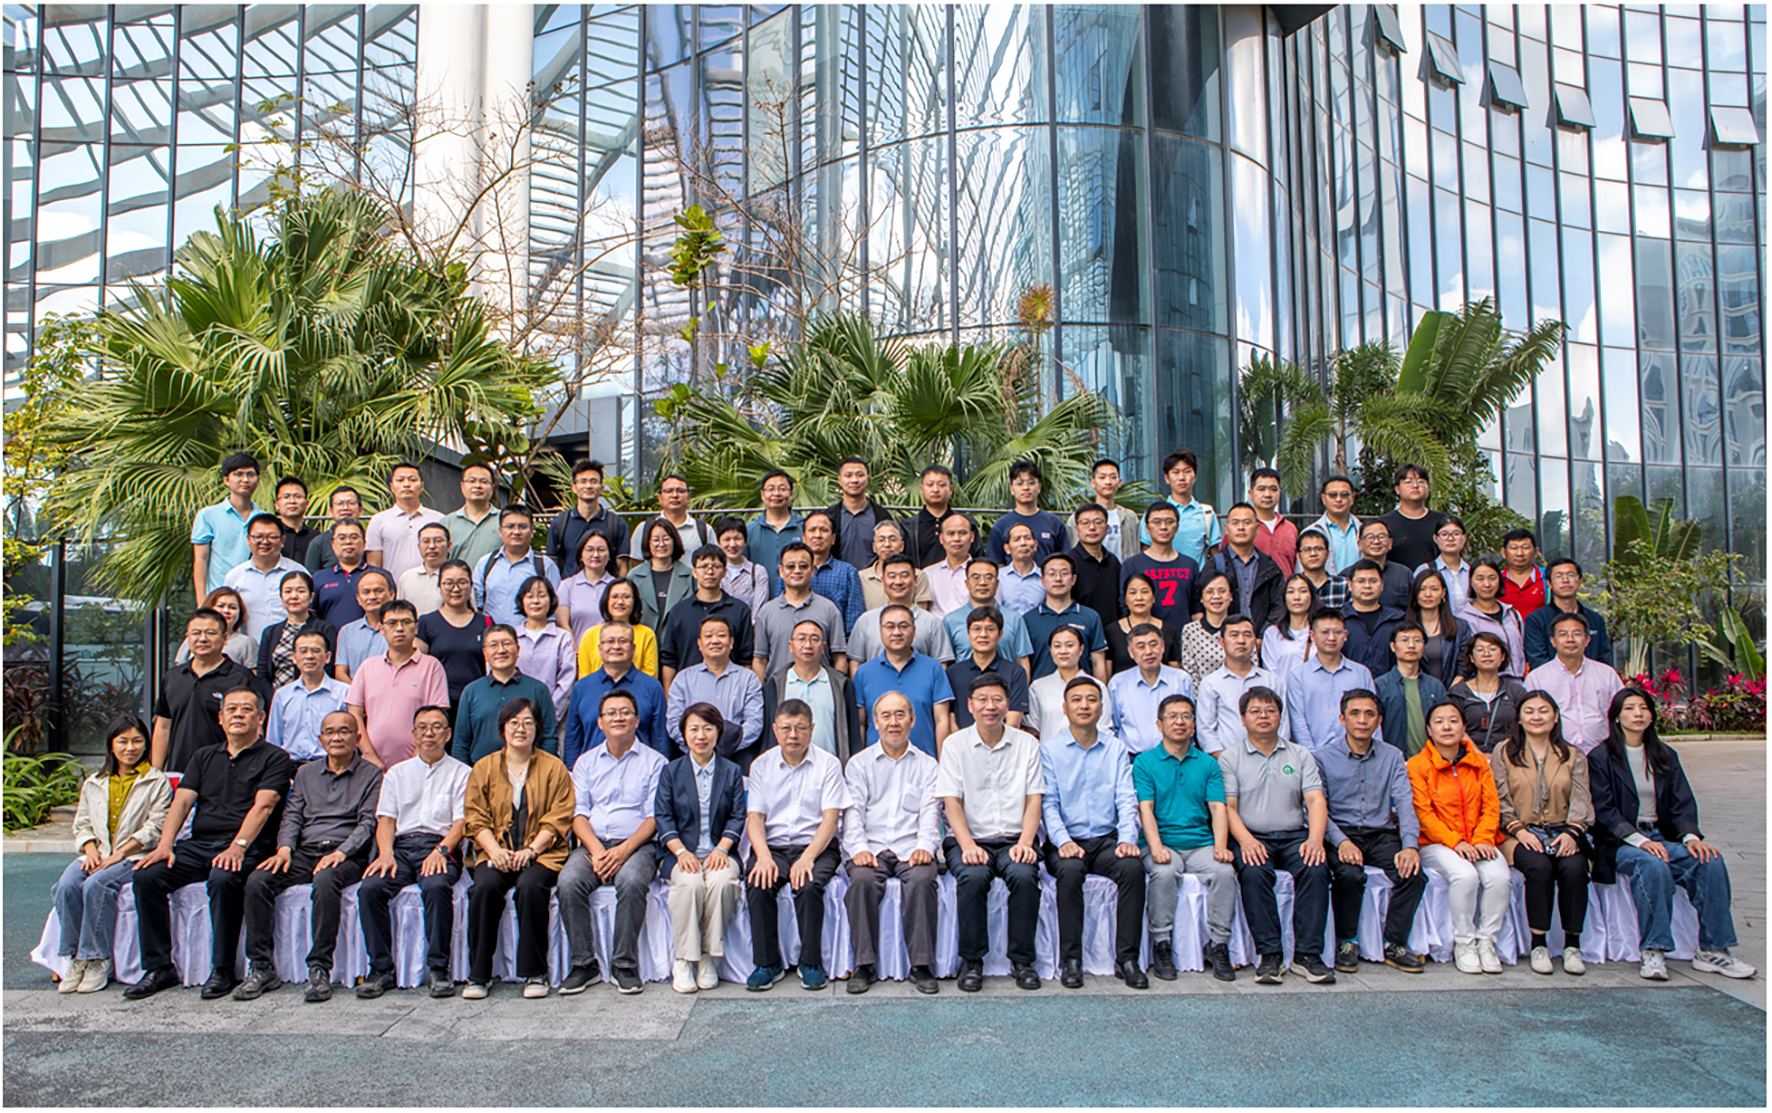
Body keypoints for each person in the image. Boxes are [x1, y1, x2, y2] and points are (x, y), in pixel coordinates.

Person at [125, 688, 296, 1000]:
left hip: (248, 846)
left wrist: (238, 846)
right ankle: (159, 967)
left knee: (224, 878)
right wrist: (165, 845)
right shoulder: (203, 756)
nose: (238, 714)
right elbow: (181, 802)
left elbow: (265, 806)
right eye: (231, 709)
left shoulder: (275, 757)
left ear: (260, 717)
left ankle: (223, 969)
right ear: (220, 718)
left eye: (247, 709)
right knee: (148, 877)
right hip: (200, 844)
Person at [1588, 688, 1755, 981]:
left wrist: (1691, 837)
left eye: (1644, 708)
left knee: (1710, 861)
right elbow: (1605, 811)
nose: (1638, 713)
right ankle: (1653, 949)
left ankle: (1713, 950)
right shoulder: (1601, 757)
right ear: (1616, 717)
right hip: (1620, 843)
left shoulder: (1665, 755)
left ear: (1652, 716)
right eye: (1630, 708)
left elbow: (1682, 803)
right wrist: (1641, 841)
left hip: (1663, 838)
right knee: (1652, 864)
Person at [234, 711, 382, 1002]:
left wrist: (342, 852)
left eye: (344, 731)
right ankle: (261, 968)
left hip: (347, 854)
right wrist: (285, 848)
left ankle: (319, 968)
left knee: (326, 880)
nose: (337, 737)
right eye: (330, 732)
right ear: (320, 739)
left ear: (358, 738)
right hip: (306, 850)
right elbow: (292, 815)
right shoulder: (305, 773)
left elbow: (368, 822)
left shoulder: (372, 774)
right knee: (258, 880)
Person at [937, 673, 1046, 992]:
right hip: (970, 839)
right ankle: (971, 960)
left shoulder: (1027, 744)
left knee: (1025, 876)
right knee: (973, 878)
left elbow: (1034, 799)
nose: (990, 706)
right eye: (982, 700)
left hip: (1015, 838)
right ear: (970, 705)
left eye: (997, 699)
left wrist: (1026, 842)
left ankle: (1022, 961)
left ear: (1007, 704)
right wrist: (967, 845)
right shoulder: (955, 745)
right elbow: (951, 802)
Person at [1220, 686, 1335, 985]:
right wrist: (1245, 840)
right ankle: (1270, 955)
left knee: (1316, 868)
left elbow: (1315, 800)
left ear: (1281, 717)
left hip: (1295, 835)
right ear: (1242, 718)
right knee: (1254, 872)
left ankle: (1307, 955)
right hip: (1252, 835)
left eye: (1270, 710)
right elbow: (1228, 807)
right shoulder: (1230, 757)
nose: (1264, 716)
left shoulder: (1300, 754)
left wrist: (1315, 839)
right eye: (1255, 711)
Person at [461, 697, 575, 999]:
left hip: (542, 854)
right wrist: (495, 851)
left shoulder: (554, 768)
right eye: (514, 723)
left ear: (538, 728)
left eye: (528, 723)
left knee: (531, 886)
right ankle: (478, 975)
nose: (520, 729)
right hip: (495, 852)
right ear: (503, 728)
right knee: (484, 888)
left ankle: (534, 973)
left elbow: (559, 816)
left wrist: (532, 851)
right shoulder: (483, 768)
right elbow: (475, 817)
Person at [51, 715, 171, 995]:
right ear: (111, 744)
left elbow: (155, 827)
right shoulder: (94, 781)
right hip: (99, 853)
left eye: (137, 741)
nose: (131, 748)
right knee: (67, 885)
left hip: (134, 856)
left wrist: (120, 853)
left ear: (146, 744)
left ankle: (97, 959)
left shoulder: (156, 781)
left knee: (97, 884)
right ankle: (75, 958)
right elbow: (82, 823)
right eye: (123, 741)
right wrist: (90, 849)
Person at [558, 690, 668, 995]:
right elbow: (578, 814)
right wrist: (596, 850)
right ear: (600, 722)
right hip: (593, 844)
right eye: (611, 713)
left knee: (632, 882)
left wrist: (623, 850)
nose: (618, 718)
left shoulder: (655, 762)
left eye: (625, 712)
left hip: (637, 845)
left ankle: (624, 964)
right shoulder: (585, 762)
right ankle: (584, 964)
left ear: (637, 720)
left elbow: (654, 817)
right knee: (569, 881)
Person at [356, 705, 469, 999]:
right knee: (370, 888)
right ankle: (381, 969)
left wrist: (442, 850)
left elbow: (461, 823)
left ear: (448, 734)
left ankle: (438, 968)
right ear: (414, 734)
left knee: (436, 885)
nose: (429, 733)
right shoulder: (396, 773)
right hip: (401, 847)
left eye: (436, 727)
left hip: (440, 845)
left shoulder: (462, 772)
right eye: (422, 727)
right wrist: (385, 853)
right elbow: (386, 820)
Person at [1041, 679, 1148, 989]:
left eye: (1091, 700)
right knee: (1070, 872)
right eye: (1076, 700)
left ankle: (1127, 959)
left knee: (1132, 868)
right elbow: (1049, 804)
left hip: (1105, 840)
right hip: (1065, 841)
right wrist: (1063, 841)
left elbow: (1126, 798)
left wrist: (1127, 838)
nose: (1084, 705)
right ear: (1065, 708)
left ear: (1101, 708)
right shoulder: (1050, 751)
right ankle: (1071, 960)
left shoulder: (1116, 749)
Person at [743, 699, 852, 991]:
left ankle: (810, 962)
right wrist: (763, 856)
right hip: (773, 847)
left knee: (809, 885)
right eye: (786, 728)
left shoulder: (828, 764)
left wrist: (808, 857)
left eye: (800, 728)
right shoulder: (761, 765)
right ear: (775, 730)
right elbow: (755, 818)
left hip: (817, 846)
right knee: (758, 883)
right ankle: (767, 963)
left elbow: (831, 820)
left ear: (812, 729)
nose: (793, 735)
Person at [1315, 690, 1427, 975]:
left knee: (1412, 873)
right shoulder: (1323, 757)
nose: (1362, 720)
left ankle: (1394, 944)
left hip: (1380, 833)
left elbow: (1405, 804)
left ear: (1379, 720)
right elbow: (1316, 809)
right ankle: (1347, 942)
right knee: (1349, 874)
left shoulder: (1392, 756)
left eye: (1369, 714)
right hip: (1340, 832)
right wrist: (1341, 841)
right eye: (1355, 714)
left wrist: (1410, 845)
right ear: (1342, 719)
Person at [843, 691, 942, 994]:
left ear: (912, 720)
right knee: (861, 881)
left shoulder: (928, 765)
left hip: (911, 846)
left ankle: (921, 965)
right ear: (875, 722)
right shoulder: (859, 764)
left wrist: (925, 846)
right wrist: (859, 849)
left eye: (900, 715)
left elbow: (930, 813)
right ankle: (864, 964)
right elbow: (853, 813)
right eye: (886, 716)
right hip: (871, 846)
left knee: (923, 880)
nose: (893, 722)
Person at [1134, 694, 1237, 981]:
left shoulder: (1208, 763)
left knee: (1224, 871)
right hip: (1162, 842)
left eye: (1186, 716)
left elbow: (1217, 808)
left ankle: (1218, 944)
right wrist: (1156, 847)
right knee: (1164, 872)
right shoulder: (1145, 762)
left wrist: (1220, 846)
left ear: (1194, 724)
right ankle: (1161, 943)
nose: (1179, 722)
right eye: (1172, 716)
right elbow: (1145, 809)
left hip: (1200, 842)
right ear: (1159, 724)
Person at [1493, 691, 1593, 977]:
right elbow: (1500, 798)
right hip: (1519, 832)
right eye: (1529, 711)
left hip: (1563, 830)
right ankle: (1539, 944)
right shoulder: (1505, 752)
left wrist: (1572, 832)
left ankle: (1572, 945)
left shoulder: (1572, 755)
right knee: (1539, 868)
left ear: (1556, 717)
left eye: (1543, 711)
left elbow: (1582, 800)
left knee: (1574, 869)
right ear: (1519, 718)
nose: (1536, 717)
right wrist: (1519, 831)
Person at [1409, 699, 1510, 974]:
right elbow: (1423, 814)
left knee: (1499, 877)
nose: (1447, 727)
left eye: (1453, 721)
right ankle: (1464, 942)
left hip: (1478, 839)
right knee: (1465, 875)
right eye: (1439, 722)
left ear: (1464, 727)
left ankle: (1486, 941)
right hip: (1437, 843)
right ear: (1429, 729)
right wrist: (1456, 841)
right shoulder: (1418, 765)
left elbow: (1491, 806)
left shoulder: (1479, 763)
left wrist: (1483, 838)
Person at [654, 703, 747, 992]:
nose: (701, 735)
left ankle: (707, 956)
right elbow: (663, 816)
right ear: (684, 734)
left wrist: (722, 848)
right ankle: (683, 959)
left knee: (722, 883)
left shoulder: (731, 771)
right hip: (681, 853)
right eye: (694, 729)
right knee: (690, 885)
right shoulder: (671, 771)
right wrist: (681, 852)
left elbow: (737, 815)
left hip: (720, 852)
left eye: (708, 728)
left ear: (718, 732)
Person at [153, 608, 270, 771]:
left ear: (225, 638)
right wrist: (156, 772)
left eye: (210, 633)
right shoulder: (173, 677)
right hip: (180, 772)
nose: (203, 639)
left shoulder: (242, 678)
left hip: (227, 772)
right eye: (196, 633)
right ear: (187, 637)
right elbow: (163, 726)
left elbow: (256, 728)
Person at [347, 600, 450, 768]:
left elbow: (436, 718)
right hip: (372, 766)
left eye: (406, 622)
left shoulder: (431, 667)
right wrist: (370, 756)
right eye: (392, 623)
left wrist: (415, 761)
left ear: (416, 628)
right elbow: (354, 714)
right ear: (382, 629)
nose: (400, 628)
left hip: (419, 764)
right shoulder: (367, 667)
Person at [852, 605, 957, 757]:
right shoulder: (864, 672)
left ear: (914, 631)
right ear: (880, 632)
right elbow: (860, 724)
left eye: (903, 626)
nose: (897, 632)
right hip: (876, 763)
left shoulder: (933, 668)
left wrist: (942, 762)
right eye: (890, 627)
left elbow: (942, 720)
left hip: (924, 762)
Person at [563, 622, 670, 766]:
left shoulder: (652, 687)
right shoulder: (582, 687)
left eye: (623, 641)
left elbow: (661, 739)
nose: (616, 646)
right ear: (600, 649)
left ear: (633, 649)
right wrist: (571, 771)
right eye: (610, 641)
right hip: (592, 773)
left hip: (641, 772)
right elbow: (572, 739)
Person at [452, 623, 559, 765]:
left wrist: (544, 771)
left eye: (507, 644)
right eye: (493, 645)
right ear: (485, 653)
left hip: (529, 771)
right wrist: (468, 774)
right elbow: (460, 743)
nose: (501, 650)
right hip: (481, 772)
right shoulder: (472, 691)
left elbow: (548, 738)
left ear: (518, 650)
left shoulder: (538, 690)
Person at [664, 616, 765, 764]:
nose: (715, 641)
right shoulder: (683, 679)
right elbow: (674, 723)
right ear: (699, 644)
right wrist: (701, 746)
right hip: (693, 759)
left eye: (721, 635)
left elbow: (754, 723)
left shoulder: (748, 679)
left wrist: (726, 746)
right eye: (709, 636)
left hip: (736, 759)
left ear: (731, 642)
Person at [762, 620, 865, 762]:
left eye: (815, 639)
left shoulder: (841, 684)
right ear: (791, 646)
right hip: (786, 768)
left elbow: (853, 733)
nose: (808, 645)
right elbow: (767, 735)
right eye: (801, 639)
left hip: (830, 768)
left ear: (823, 647)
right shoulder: (775, 684)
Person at [1526, 613, 1625, 754]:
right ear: (1553, 641)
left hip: (1603, 754)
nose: (1570, 639)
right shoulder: (1537, 678)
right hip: (1556, 754)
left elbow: (1622, 711)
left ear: (1587, 640)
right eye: (1563, 634)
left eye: (1577, 634)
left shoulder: (1606, 674)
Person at [1194, 615, 1291, 753]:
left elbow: (1283, 724)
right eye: (1234, 635)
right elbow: (1206, 731)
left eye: (1247, 635)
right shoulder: (1211, 683)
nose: (1241, 641)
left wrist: (1274, 756)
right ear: (1221, 641)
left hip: (1271, 758)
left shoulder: (1271, 680)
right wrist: (1225, 760)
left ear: (1255, 641)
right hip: (1226, 761)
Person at [1285, 610, 1376, 752]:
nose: (1332, 638)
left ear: (1345, 635)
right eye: (1325, 632)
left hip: (1358, 754)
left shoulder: (1361, 673)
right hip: (1316, 755)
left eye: (1337, 632)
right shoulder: (1298, 676)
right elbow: (1298, 722)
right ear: (1312, 636)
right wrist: (1311, 757)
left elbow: (1373, 715)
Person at [753, 542, 848, 679]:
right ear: (781, 571)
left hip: (820, 687)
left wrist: (837, 687)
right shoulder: (766, 612)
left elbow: (839, 657)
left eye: (803, 566)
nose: (797, 571)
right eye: (790, 566)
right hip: (778, 689)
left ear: (812, 570)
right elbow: (760, 660)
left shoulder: (829, 609)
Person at [845, 554, 952, 670]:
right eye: (892, 576)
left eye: (904, 576)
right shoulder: (865, 621)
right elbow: (856, 663)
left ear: (915, 580)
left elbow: (941, 665)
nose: (898, 582)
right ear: (883, 581)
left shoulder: (932, 622)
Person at [415, 559, 493, 705]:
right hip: (438, 701)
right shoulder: (426, 622)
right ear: (439, 586)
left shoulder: (485, 623)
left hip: (478, 700)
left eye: (462, 583)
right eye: (449, 583)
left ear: (471, 586)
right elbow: (418, 667)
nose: (456, 589)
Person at [1109, 622, 1194, 755]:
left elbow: (1190, 722)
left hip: (1176, 757)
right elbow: (1114, 727)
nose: (1148, 652)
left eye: (1153, 644)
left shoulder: (1181, 679)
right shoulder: (1117, 683)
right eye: (1141, 646)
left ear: (1163, 646)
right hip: (1133, 759)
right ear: (1131, 652)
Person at [472, 506, 565, 628]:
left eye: (523, 527)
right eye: (510, 526)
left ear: (532, 531)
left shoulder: (545, 565)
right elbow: (476, 605)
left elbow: (555, 608)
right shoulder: (485, 563)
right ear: (500, 531)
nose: (516, 532)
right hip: (494, 636)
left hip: (532, 637)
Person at [1022, 553, 1109, 681]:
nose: (1058, 578)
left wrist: (1100, 690)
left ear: (1073, 579)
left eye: (1064, 573)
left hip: (1082, 689)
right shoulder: (1028, 620)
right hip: (1041, 690)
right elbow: (1024, 664)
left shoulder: (1090, 617)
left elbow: (1098, 662)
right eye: (1052, 574)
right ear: (1042, 580)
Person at [267, 630, 351, 760]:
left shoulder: (344, 692)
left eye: (316, 651)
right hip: (290, 765)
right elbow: (274, 740)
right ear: (294, 657)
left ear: (327, 657)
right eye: (303, 651)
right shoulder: (282, 695)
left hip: (331, 764)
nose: (309, 656)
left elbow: (351, 738)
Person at [946, 607, 1030, 731]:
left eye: (990, 629)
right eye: (977, 629)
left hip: (1003, 742)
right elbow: (951, 718)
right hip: (962, 742)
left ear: (1000, 634)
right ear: (968, 634)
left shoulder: (1016, 673)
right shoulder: (953, 673)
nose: (983, 635)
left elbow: (1013, 722)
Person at [1446, 632, 1532, 753]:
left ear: (1503, 656)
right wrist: (1479, 756)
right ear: (1472, 657)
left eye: (1492, 649)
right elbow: (1455, 728)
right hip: (1467, 757)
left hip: (1509, 755)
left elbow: (1523, 726)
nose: (1487, 654)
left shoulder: (1516, 691)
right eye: (1480, 650)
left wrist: (1500, 755)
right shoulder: (1459, 692)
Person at [942, 559, 1035, 671]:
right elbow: (946, 664)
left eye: (989, 577)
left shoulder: (1014, 619)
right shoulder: (951, 621)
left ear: (997, 584)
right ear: (967, 583)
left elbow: (1022, 660)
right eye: (976, 577)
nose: (982, 582)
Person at [224, 513, 304, 641]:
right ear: (248, 539)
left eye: (272, 537)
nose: (265, 542)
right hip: (250, 648)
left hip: (291, 647)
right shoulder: (235, 576)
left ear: (282, 540)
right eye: (258, 537)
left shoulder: (298, 573)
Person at [1523, 558, 1614, 670]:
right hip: (1549, 680)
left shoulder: (1595, 619)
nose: (1565, 580)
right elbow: (1538, 661)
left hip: (1592, 679)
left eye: (1570, 575)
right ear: (1549, 583)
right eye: (1559, 576)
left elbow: (1604, 660)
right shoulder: (1536, 619)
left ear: (1580, 581)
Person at [191, 451, 261, 596]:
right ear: (226, 480)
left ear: (258, 480)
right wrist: (202, 601)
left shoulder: (265, 518)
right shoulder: (208, 515)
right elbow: (201, 560)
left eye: (250, 474)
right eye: (238, 474)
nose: (245, 479)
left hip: (255, 596)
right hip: (219, 598)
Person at [1026, 625, 1113, 742]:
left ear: (1081, 649)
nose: (1063, 651)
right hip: (1049, 752)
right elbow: (1032, 730)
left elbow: (1104, 728)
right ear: (1050, 649)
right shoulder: (1038, 687)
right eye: (1057, 646)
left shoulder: (1097, 686)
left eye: (1070, 645)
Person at [1122, 502, 1200, 628]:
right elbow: (1124, 606)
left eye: (1169, 522)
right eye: (1156, 522)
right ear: (1147, 528)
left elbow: (1197, 608)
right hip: (1144, 636)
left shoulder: (1190, 565)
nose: (1163, 527)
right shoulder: (1132, 565)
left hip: (1182, 635)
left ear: (1177, 527)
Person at [1374, 622, 1446, 758]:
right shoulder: (1380, 686)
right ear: (1393, 646)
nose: (1411, 645)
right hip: (1393, 761)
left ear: (1424, 646)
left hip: (1432, 762)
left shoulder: (1435, 686)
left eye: (1417, 640)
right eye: (1404, 640)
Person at [548, 458, 629, 577]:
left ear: (601, 488)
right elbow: (552, 564)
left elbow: (622, 567)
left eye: (594, 481)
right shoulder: (560, 523)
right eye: (583, 481)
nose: (588, 486)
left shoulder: (616, 524)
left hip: (606, 588)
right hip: (570, 587)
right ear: (574, 488)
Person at [365, 462, 444, 583]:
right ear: (392, 487)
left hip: (433, 587)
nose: (406, 484)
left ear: (422, 486)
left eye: (412, 480)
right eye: (400, 480)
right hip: (394, 589)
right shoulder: (378, 521)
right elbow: (374, 565)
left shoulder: (439, 519)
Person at [1141, 449, 1222, 566]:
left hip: (1198, 577)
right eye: (1176, 472)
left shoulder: (1207, 513)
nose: (1182, 477)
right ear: (1167, 478)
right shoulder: (1153, 514)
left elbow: (1215, 553)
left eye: (1187, 471)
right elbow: (1145, 551)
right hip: (1163, 576)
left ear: (1195, 476)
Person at [258, 571, 338, 689]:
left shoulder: (324, 629)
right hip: (276, 696)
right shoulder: (270, 632)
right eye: (288, 591)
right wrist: (274, 698)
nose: (294, 596)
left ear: (311, 597)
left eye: (300, 591)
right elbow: (262, 674)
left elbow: (328, 667)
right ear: (281, 597)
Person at [1214, 503, 1286, 634]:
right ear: (1226, 529)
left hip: (1263, 639)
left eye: (1247, 522)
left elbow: (1279, 605)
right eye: (1235, 523)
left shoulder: (1270, 567)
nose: (1241, 527)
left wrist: (1263, 636)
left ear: (1257, 528)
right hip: (1225, 639)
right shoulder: (1215, 565)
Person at [516, 576, 577, 722]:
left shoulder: (563, 638)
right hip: (515, 717)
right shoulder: (512, 637)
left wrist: (549, 717)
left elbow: (567, 681)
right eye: (530, 596)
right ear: (522, 600)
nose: (536, 601)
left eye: (542, 595)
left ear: (551, 600)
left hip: (553, 718)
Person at [985, 459, 1067, 566]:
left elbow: (1064, 561)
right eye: (1019, 483)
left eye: (1031, 482)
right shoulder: (1001, 525)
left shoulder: (1054, 523)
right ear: (1012, 489)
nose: (1026, 487)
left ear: (1039, 487)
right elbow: (996, 564)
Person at [1458, 557, 1528, 680]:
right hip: (1484, 684)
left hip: (1518, 683)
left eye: (1492, 578)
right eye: (1480, 579)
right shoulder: (1463, 619)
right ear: (1471, 582)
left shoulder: (1512, 613)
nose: (1487, 584)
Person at [577, 580, 659, 679]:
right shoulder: (590, 635)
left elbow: (650, 677)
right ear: (606, 600)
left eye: (626, 597)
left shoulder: (646, 634)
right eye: (614, 597)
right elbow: (584, 678)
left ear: (635, 601)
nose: (620, 602)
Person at [1103, 573, 1184, 674]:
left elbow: (1175, 670)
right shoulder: (1112, 631)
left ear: (1153, 597)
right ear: (1125, 599)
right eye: (1133, 592)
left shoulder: (1168, 630)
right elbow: (1108, 673)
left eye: (1144, 592)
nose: (1139, 597)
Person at [824, 455, 893, 570]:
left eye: (860, 475)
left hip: (872, 578)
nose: (854, 480)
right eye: (848, 475)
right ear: (839, 480)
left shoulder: (881, 516)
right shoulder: (829, 517)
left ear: (868, 479)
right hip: (838, 576)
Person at [1063, 458, 1142, 560]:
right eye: (1102, 477)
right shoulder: (1077, 518)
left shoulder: (1130, 517)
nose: (1108, 482)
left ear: (1119, 482)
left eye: (1113, 477)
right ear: (1093, 482)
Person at [804, 510, 866, 636]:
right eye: (812, 530)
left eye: (824, 530)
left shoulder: (848, 572)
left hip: (835, 643)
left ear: (833, 539)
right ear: (803, 538)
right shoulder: (792, 571)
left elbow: (854, 620)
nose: (818, 535)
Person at [1377, 461, 1448, 569]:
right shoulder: (1384, 524)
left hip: (1433, 579)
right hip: (1397, 579)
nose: (1415, 486)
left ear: (1427, 486)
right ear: (1397, 489)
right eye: (1408, 482)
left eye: (1421, 481)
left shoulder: (1442, 521)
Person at [1407, 569, 1472, 687]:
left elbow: (1464, 663)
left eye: (1434, 589)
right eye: (1422, 589)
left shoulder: (1460, 626)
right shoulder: (1404, 627)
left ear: (1443, 593)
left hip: (1453, 691)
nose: (1428, 594)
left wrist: (1453, 689)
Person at [747, 470, 806, 596]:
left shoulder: (805, 528)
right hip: (760, 602)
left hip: (799, 599)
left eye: (782, 489)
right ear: (762, 494)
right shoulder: (750, 531)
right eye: (771, 489)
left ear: (791, 494)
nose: (776, 493)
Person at [1341, 560, 1405, 677]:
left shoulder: (1397, 620)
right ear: (1350, 585)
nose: (1367, 586)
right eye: (1361, 581)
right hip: (1349, 685)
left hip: (1388, 686)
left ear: (1382, 585)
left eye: (1373, 581)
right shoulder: (1339, 620)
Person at [900, 464, 969, 569]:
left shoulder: (966, 525)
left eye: (941, 485)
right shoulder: (909, 527)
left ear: (950, 489)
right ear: (922, 489)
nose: (935, 489)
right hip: (920, 579)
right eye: (930, 485)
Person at [630, 519, 693, 634]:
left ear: (674, 541)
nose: (661, 544)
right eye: (656, 540)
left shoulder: (689, 575)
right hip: (643, 641)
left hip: (678, 640)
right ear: (648, 543)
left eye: (666, 539)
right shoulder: (634, 576)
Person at [857, 521, 933, 612]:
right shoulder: (861, 577)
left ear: (902, 545)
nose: (887, 544)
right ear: (874, 547)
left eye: (892, 539)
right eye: (881, 540)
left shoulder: (917, 575)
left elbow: (921, 614)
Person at [1066, 503, 1124, 624]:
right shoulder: (1068, 562)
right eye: (1085, 523)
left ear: (1107, 528)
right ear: (1077, 529)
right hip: (1080, 629)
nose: (1092, 527)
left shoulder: (1113, 561)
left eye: (1098, 522)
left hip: (1112, 629)